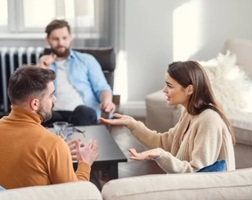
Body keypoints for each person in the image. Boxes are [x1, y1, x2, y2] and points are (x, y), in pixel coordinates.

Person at [100, 61, 236, 173]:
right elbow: (164, 143)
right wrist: (131, 124)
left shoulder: (208, 119)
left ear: (189, 89)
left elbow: (197, 174)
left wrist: (161, 155)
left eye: (169, 86)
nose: (164, 90)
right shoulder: (189, 113)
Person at [0, 65, 99, 189]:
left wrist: (56, 155)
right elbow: (76, 195)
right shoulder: (52, 144)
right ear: (35, 104)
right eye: (51, 95)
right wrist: (84, 164)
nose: (55, 99)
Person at [40, 19, 116, 126]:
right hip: (55, 114)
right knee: (42, 116)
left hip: (82, 113)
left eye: (64, 38)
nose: (61, 43)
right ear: (48, 40)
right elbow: (38, 98)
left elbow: (102, 88)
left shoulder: (86, 60)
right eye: (55, 39)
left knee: (83, 112)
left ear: (70, 37)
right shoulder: (43, 65)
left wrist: (107, 100)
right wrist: (42, 70)